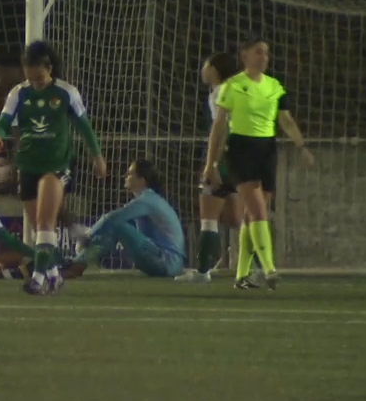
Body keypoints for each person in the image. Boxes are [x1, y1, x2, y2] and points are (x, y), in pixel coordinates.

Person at [0, 40, 107, 295]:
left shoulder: (66, 93)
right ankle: (55, 277)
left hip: (56, 166)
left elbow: (85, 127)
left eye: (40, 78)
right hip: (28, 165)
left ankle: (38, 279)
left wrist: (97, 156)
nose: (35, 84)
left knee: (44, 224)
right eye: (30, 79)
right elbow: (3, 123)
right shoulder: (18, 94)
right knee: (41, 228)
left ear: (49, 68)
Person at [203, 34, 314, 290]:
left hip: (267, 149)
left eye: (266, 53)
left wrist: (301, 147)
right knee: (258, 210)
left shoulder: (274, 86)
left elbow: (285, 120)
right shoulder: (233, 86)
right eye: (258, 52)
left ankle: (242, 275)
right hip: (241, 149)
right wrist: (211, 163)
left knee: (253, 214)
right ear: (245, 56)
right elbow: (218, 127)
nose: (264, 57)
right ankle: (269, 268)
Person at [175, 52, 263, 286]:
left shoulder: (219, 93)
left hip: (225, 157)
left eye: (206, 65)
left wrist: (212, 164)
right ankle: (259, 267)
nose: (203, 70)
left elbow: (221, 129)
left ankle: (203, 271)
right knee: (235, 217)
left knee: (209, 216)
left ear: (215, 70)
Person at [65, 160, 185, 279]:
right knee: (112, 229)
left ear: (142, 179)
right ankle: (78, 264)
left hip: (167, 262)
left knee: (116, 225)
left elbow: (112, 218)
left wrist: (88, 235)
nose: (125, 176)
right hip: (170, 263)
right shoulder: (151, 199)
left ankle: (77, 265)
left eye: (130, 173)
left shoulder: (147, 200)